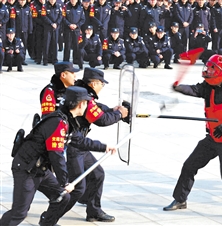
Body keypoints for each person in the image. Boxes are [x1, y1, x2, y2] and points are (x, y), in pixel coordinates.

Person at [0, 86, 116, 226]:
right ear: (81, 104)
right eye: (87, 103)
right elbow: (56, 155)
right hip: (26, 169)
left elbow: (79, 140)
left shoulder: (68, 120)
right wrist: (64, 182)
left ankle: (47, 223)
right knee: (19, 212)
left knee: (62, 197)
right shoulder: (58, 122)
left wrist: (104, 147)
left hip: (40, 169)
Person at [164, 54, 222, 222]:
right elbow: (193, 89)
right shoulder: (207, 86)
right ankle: (180, 199)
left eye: (212, 68)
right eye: (208, 67)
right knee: (189, 165)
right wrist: (178, 87)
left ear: (221, 71)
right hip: (213, 138)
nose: (208, 70)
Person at [55, 68, 128, 223]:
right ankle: (52, 213)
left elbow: (98, 108)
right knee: (76, 187)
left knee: (97, 174)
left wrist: (111, 110)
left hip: (80, 144)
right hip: (73, 144)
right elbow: (101, 120)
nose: (102, 86)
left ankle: (94, 211)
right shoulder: (84, 98)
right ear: (94, 83)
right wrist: (120, 114)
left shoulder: (82, 92)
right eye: (102, 84)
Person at [41, 0, 62, 66]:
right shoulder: (45, 6)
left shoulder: (58, 6)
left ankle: (54, 59)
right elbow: (44, 16)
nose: (52, 1)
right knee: (46, 44)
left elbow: (61, 16)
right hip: (48, 28)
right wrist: (51, 23)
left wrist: (57, 23)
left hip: (56, 28)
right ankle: (45, 60)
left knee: (55, 44)